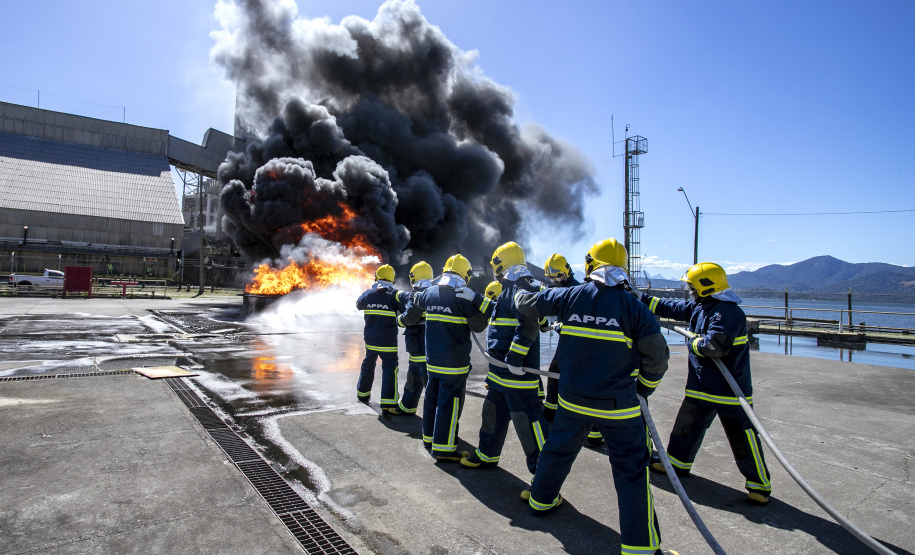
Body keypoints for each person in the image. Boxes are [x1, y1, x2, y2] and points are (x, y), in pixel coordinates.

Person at [514, 238, 678, 555]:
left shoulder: (570, 296)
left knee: (557, 451)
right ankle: (640, 546)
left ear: (590, 265)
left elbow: (528, 304)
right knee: (631, 471)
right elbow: (658, 357)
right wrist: (644, 387)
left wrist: (515, 288)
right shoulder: (636, 309)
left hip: (573, 401)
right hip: (620, 409)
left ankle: (540, 499)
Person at [631, 262, 772, 505]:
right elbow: (673, 307)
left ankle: (759, 484)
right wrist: (641, 298)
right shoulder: (702, 307)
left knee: (743, 438)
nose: (690, 291)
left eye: (693, 286)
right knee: (685, 428)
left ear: (705, 287)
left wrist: (694, 343)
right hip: (700, 387)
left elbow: (715, 346)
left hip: (730, 392)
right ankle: (677, 463)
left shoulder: (728, 312)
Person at [460, 242, 550, 474]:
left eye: (495, 266)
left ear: (502, 264)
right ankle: (487, 454)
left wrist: (516, 359)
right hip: (501, 376)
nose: (494, 272)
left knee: (528, 424)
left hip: (516, 376)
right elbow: (498, 312)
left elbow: (529, 325)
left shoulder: (522, 289)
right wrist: (475, 298)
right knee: (492, 414)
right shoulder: (510, 289)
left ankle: (544, 476)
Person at [399, 255, 493, 461]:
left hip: (432, 361)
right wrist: (478, 301)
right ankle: (444, 448)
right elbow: (479, 326)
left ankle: (429, 438)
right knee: (449, 406)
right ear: (465, 275)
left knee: (431, 400)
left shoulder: (429, 293)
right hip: (455, 365)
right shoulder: (463, 297)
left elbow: (414, 303)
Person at [542, 253, 605, 448]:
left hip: (582, 347)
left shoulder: (577, 290)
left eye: (558, 277)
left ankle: (594, 433)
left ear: (567, 271)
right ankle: (551, 411)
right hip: (568, 345)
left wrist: (564, 327)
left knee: (583, 387)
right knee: (554, 374)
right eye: (552, 278)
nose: (555, 281)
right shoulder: (564, 289)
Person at [355, 264, 403, 413]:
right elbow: (404, 312)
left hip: (370, 339)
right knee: (389, 367)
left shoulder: (369, 294)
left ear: (376, 277)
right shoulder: (394, 295)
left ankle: (362, 393)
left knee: (368, 363)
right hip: (388, 342)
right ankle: (388, 403)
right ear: (392, 280)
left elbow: (358, 304)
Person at [394, 261, 434, 414]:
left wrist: (398, 320)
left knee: (427, 383)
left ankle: (435, 417)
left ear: (413, 277)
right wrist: (394, 293)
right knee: (413, 378)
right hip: (424, 345)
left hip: (419, 344)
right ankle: (407, 406)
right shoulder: (434, 291)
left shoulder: (417, 293)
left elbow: (410, 317)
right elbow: (404, 296)